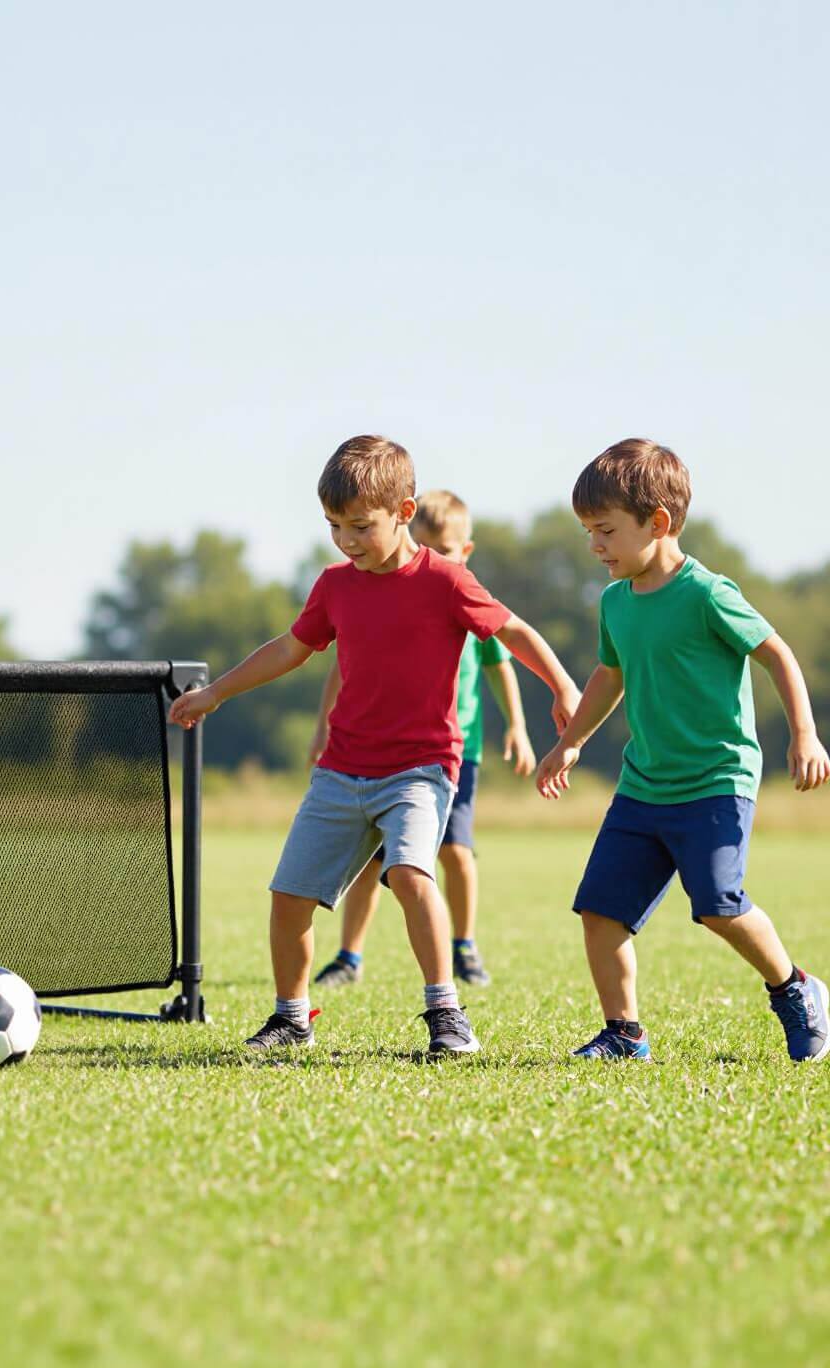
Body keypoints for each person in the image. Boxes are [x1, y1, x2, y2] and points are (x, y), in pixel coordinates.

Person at [169, 435, 578, 1057]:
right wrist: (217, 692)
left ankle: (446, 1014)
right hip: (341, 770)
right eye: (335, 526)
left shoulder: (446, 581)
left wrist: (563, 687)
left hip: (419, 770)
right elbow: (289, 648)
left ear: (405, 512)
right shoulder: (336, 586)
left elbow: (514, 631)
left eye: (361, 526)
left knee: (412, 875)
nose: (347, 540)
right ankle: (291, 1018)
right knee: (288, 898)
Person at [537, 439, 830, 1061]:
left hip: (717, 781)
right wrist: (570, 743)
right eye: (589, 531)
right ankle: (624, 1033)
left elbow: (775, 653)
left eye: (606, 531)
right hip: (643, 785)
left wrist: (803, 732)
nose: (595, 547)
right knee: (600, 911)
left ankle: (796, 989)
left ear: (659, 523)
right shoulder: (615, 602)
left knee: (719, 905)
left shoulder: (707, 593)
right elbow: (609, 676)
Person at [310, 490, 535, 990]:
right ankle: (349, 955)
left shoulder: (465, 599)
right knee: (373, 859)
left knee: (455, 850)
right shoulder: (380, 592)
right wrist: (322, 726)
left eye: (448, 549)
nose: (437, 557)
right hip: (380, 753)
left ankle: (465, 946)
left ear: (466, 551)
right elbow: (340, 665)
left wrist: (518, 727)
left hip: (452, 754)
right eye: (428, 546)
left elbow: (504, 668)